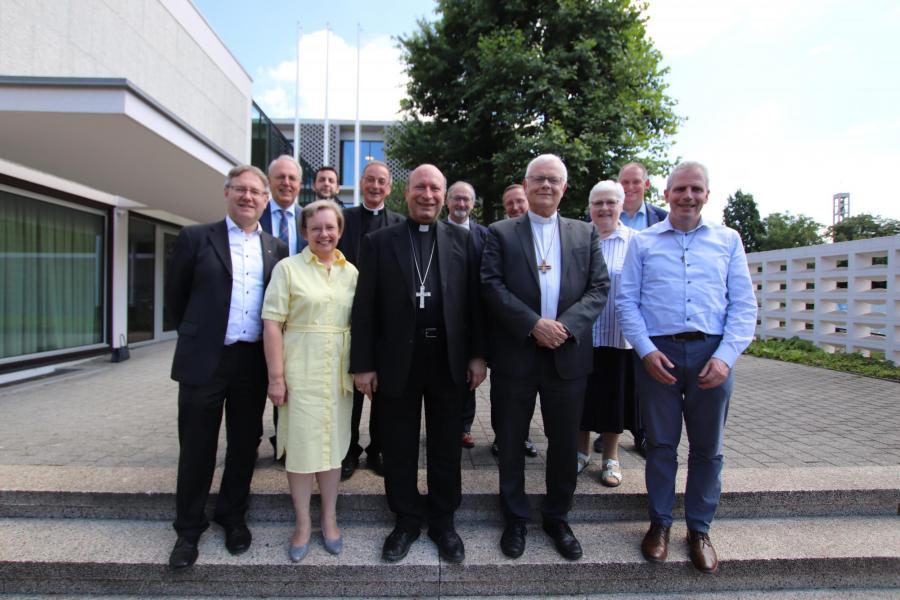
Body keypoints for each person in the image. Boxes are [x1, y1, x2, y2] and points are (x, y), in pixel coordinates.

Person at [617, 161, 757, 574]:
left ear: (707, 195)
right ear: (665, 194)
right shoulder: (642, 243)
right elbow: (627, 301)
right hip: (658, 355)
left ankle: (699, 529)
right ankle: (659, 523)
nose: (688, 196)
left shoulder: (728, 240)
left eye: (696, 189)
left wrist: (726, 357)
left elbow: (744, 306)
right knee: (660, 445)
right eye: (680, 189)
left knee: (707, 449)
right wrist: (644, 350)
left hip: (711, 354)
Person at [350, 164, 486, 564]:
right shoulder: (379, 242)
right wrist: (363, 364)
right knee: (399, 444)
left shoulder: (463, 243)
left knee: (446, 443)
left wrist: (478, 356)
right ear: (405, 193)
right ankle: (406, 519)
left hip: (447, 358)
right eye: (420, 187)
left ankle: (444, 521)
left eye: (435, 188)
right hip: (396, 360)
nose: (427, 194)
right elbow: (364, 308)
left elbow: (475, 307)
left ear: (444, 196)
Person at [481, 154, 608, 561]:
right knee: (513, 439)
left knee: (563, 441)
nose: (546, 186)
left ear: (565, 188)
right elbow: (491, 286)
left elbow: (598, 288)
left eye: (554, 180)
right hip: (516, 355)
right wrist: (534, 323)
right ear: (526, 182)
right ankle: (515, 517)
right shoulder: (500, 233)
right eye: (538, 179)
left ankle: (557, 517)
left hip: (567, 357)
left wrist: (564, 326)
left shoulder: (584, 233)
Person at [166, 165, 288, 569]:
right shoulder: (196, 238)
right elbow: (176, 299)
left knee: (244, 443)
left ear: (266, 201)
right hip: (205, 358)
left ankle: (232, 515)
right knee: (198, 446)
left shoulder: (276, 247)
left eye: (256, 192)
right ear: (227, 193)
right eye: (241, 189)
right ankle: (188, 529)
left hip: (251, 361)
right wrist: (199, 334)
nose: (248, 197)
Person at [262, 200, 358, 562]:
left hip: (337, 373)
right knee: (302, 450)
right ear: (305, 232)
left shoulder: (352, 272)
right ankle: (302, 524)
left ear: (340, 230)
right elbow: (272, 322)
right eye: (316, 228)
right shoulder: (287, 269)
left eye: (330, 227)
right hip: (299, 371)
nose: (324, 234)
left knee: (333, 447)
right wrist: (276, 377)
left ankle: (329, 519)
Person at [337, 160, 404, 480]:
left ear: (389, 188)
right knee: (350, 387)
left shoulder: (400, 223)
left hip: (387, 318)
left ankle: (378, 447)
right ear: (361, 183)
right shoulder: (343, 220)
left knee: (384, 387)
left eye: (382, 182)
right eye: (370, 180)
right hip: (345, 314)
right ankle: (348, 449)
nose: (376, 186)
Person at [576, 181, 637, 487]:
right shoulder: (577, 238)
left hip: (617, 336)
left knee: (613, 398)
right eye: (597, 202)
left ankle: (610, 458)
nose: (604, 208)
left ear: (622, 205)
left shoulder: (635, 241)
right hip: (580, 335)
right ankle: (579, 452)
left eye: (610, 202)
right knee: (580, 397)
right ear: (590, 207)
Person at [487, 184, 539, 459]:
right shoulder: (499, 234)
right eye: (510, 204)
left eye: (519, 201)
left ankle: (525, 436)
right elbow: (492, 282)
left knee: (530, 391)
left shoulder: (543, 234)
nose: (516, 207)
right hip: (508, 328)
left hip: (540, 328)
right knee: (503, 392)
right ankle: (501, 436)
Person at [260, 155, 306, 461]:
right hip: (261, 318)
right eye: (280, 177)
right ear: (270, 182)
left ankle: (286, 441)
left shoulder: (310, 218)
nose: (286, 183)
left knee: (292, 382)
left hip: (300, 321)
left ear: (300, 185)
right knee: (257, 383)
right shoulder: (255, 214)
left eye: (292, 178)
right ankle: (251, 439)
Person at [443, 181, 488, 449]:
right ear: (447, 201)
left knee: (468, 376)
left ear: (473, 204)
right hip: (444, 316)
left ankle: (464, 426)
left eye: (466, 200)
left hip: (473, 316)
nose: (461, 204)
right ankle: (443, 425)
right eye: (456, 199)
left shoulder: (485, 235)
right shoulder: (436, 232)